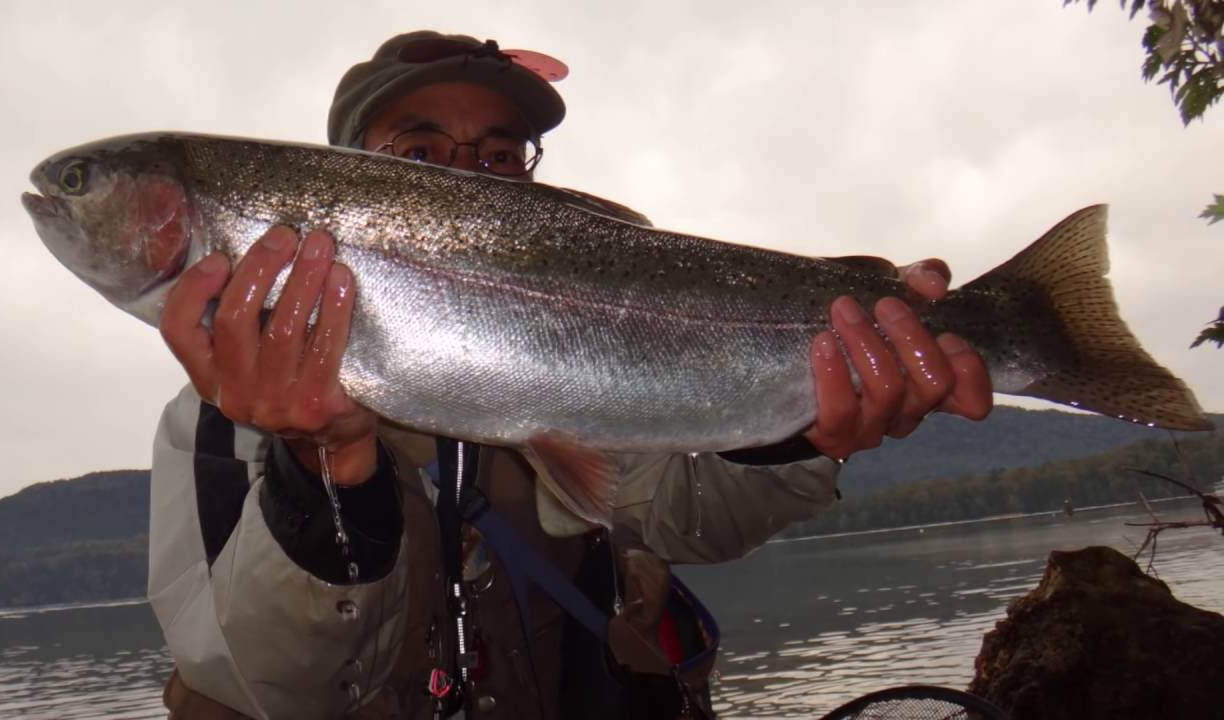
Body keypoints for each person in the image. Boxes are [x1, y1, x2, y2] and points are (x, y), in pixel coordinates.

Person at [147, 31, 993, 720]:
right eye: (418, 146)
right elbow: (256, 686)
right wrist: (320, 471)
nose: (466, 172)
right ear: (345, 183)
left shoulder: (587, 351)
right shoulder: (221, 420)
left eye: (501, 152)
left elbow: (690, 521)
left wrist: (793, 433)